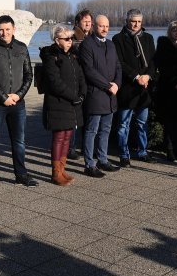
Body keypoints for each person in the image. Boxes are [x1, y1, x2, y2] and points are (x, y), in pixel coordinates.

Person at [0, 15, 37, 197]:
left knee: (19, 142)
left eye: (7, 29)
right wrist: (3, 97)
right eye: (1, 29)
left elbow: (29, 75)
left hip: (17, 104)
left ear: (14, 29)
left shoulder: (21, 47)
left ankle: (21, 175)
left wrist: (18, 95)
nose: (4, 33)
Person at [40, 25, 86, 186]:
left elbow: (80, 76)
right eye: (66, 39)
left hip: (72, 103)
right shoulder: (51, 56)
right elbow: (55, 82)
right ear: (56, 40)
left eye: (71, 38)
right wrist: (73, 96)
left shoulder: (72, 55)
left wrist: (82, 94)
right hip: (58, 103)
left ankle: (62, 169)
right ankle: (55, 173)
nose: (70, 41)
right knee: (59, 137)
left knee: (68, 136)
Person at [112, 9, 157, 167]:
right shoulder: (118, 39)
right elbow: (119, 62)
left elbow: (153, 61)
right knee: (123, 124)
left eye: (139, 21)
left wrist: (147, 76)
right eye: (133, 21)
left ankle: (142, 151)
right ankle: (124, 154)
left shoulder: (149, 38)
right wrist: (136, 76)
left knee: (141, 123)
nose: (136, 24)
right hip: (127, 88)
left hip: (144, 88)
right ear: (127, 21)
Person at [78, 15, 122, 177]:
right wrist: (108, 85)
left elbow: (118, 66)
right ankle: (89, 164)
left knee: (106, 130)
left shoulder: (111, 45)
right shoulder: (87, 45)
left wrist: (117, 84)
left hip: (111, 96)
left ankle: (103, 160)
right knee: (91, 130)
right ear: (95, 26)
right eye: (101, 26)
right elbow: (89, 71)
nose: (105, 29)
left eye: (107, 26)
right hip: (96, 95)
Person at [154, 21, 177, 161]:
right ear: (169, 31)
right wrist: (175, 81)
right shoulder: (163, 44)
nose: (176, 33)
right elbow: (162, 66)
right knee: (169, 121)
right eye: (174, 30)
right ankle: (169, 149)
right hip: (168, 89)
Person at [67, 9, 93, 159]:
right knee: (75, 117)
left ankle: (85, 146)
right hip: (76, 81)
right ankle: (71, 147)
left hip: (89, 81)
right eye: (85, 21)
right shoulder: (72, 37)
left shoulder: (92, 37)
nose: (88, 23)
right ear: (78, 23)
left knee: (87, 115)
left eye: (90, 21)